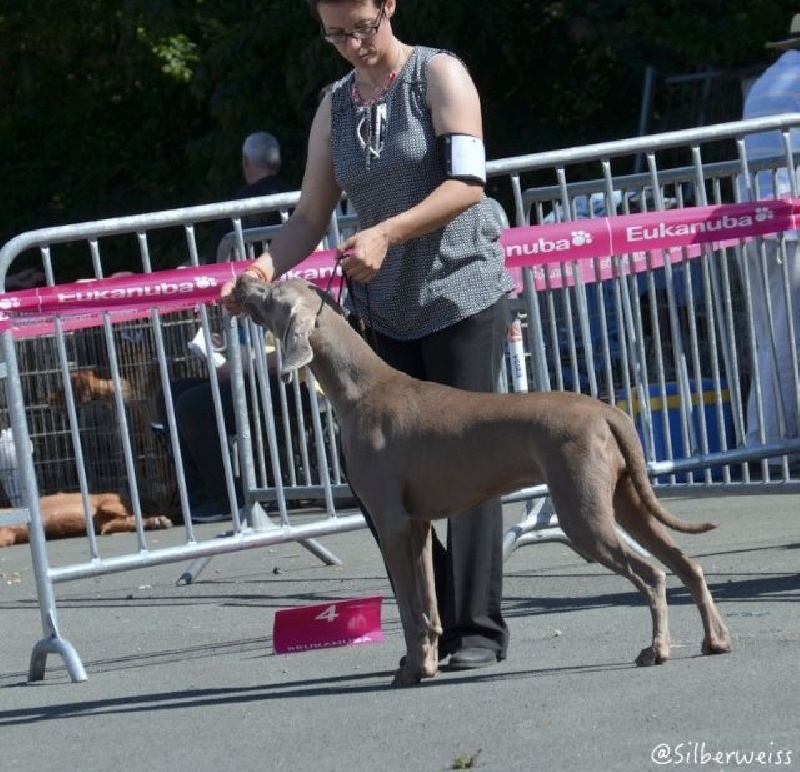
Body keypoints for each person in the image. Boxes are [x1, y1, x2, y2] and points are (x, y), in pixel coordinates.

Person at [222, 0, 514, 671]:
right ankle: (431, 621)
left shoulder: (439, 75)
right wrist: (262, 269)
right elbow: (309, 213)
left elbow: (468, 184)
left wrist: (385, 231)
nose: (351, 42)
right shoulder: (334, 106)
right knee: (375, 478)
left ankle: (478, 633)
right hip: (383, 314)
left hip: (461, 295)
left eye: (362, 26)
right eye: (334, 33)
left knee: (469, 464)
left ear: (389, 6)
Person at [739, 14, 800, 466]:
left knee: (769, 333)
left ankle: (764, 438)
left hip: (754, 218)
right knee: (787, 333)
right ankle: (777, 443)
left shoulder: (768, 81)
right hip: (788, 218)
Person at [212, 131, 290, 263]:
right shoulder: (297, 197)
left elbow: (215, 259)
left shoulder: (236, 208)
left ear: (245, 161)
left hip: (253, 279)